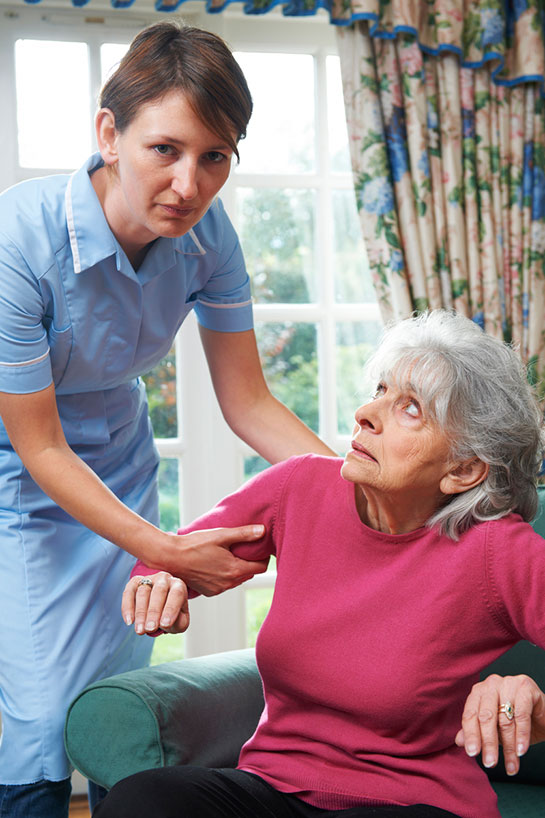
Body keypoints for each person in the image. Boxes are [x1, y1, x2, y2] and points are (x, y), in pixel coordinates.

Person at [0, 21, 334, 818]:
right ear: (109, 135)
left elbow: (248, 401)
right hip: (21, 474)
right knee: (40, 717)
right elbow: (38, 442)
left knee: (119, 698)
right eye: (166, 150)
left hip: (117, 463)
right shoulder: (20, 238)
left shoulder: (209, 239)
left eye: (214, 156)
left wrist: (353, 484)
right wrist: (167, 550)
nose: (190, 183)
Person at [97, 310, 545, 818]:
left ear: (463, 470)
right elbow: (172, 558)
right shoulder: (299, 488)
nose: (366, 413)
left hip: (410, 804)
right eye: (379, 389)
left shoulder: (495, 551)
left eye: (410, 409)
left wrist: (529, 701)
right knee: (142, 802)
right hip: (273, 788)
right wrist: (159, 579)